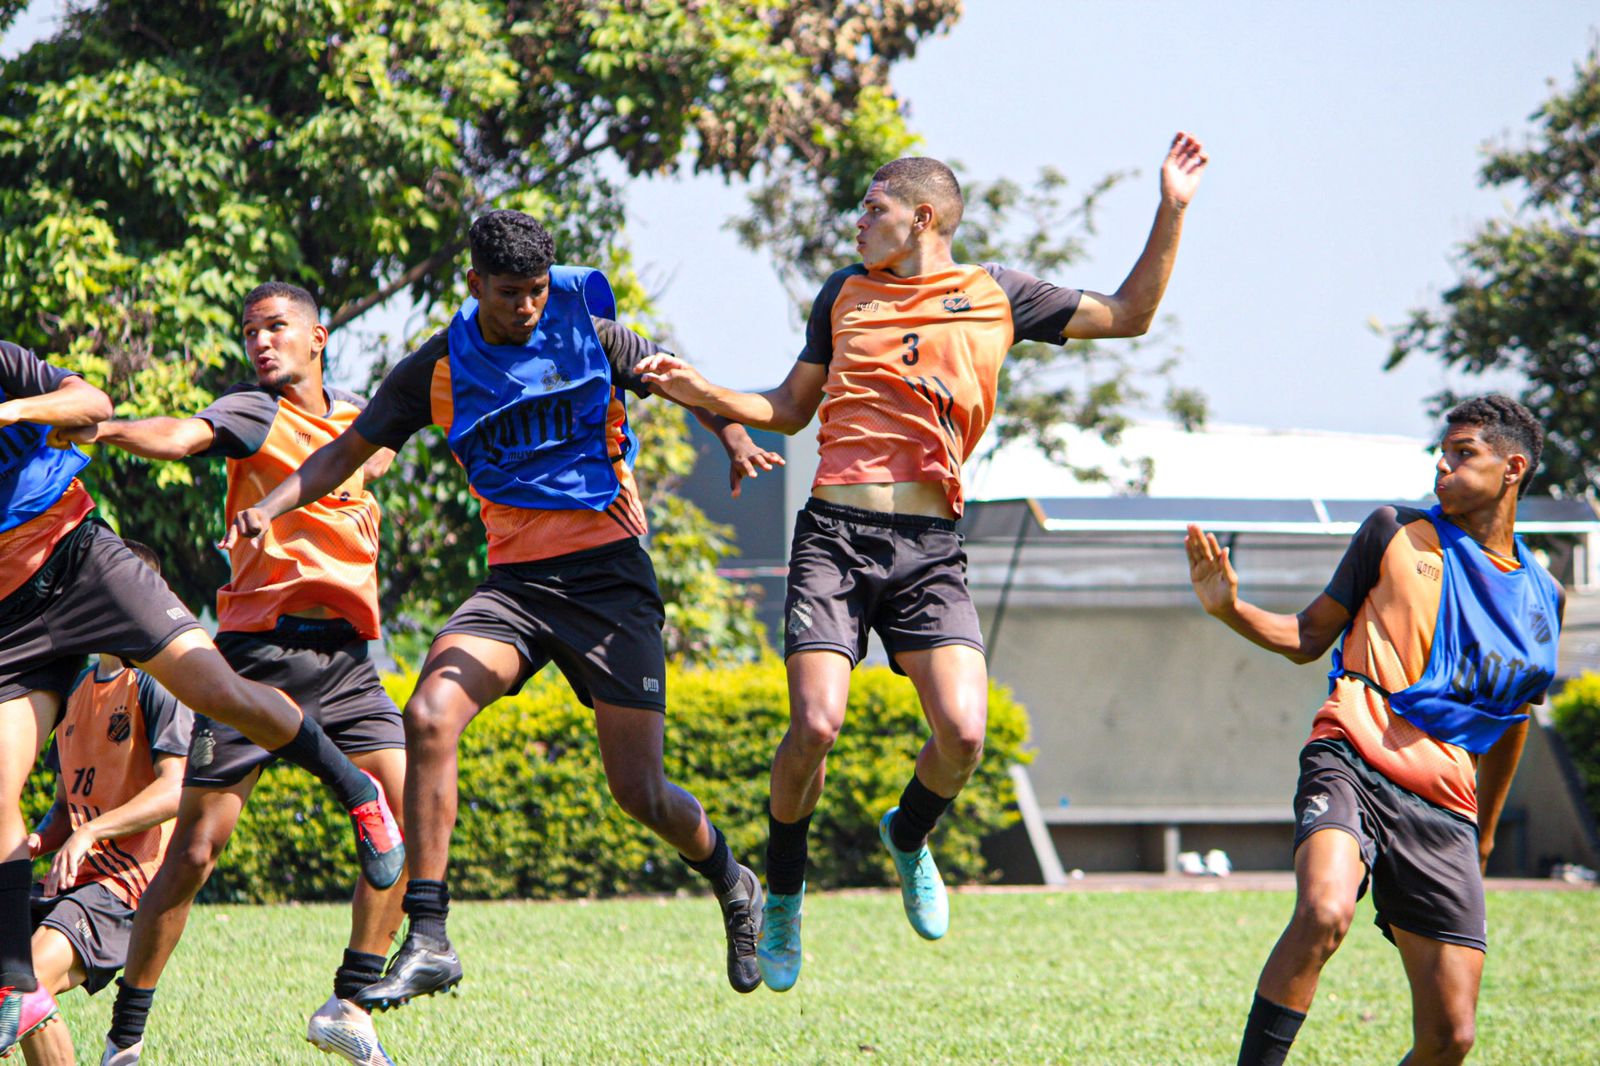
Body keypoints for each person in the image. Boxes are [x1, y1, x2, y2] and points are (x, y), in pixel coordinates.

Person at [635, 132, 1209, 990]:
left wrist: (1170, 207)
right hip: (834, 533)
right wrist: (704, 393)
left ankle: (907, 834)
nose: (857, 221)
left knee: (964, 733)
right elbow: (791, 408)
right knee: (817, 725)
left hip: (930, 546)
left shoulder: (998, 295)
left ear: (924, 217)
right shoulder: (843, 294)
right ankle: (784, 891)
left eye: (874, 208)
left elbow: (1131, 314)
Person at [224, 210, 784, 1006]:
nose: (527, 307)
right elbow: (345, 451)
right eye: (510, 293)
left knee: (640, 792)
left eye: (537, 290)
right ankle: (430, 936)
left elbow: (680, 379)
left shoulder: (589, 332)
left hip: (608, 580)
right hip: (516, 587)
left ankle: (733, 881)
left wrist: (729, 434)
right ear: (474, 284)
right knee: (427, 714)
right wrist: (270, 506)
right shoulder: (438, 366)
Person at [0, 339, 401, 1059]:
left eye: (277, 327)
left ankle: (358, 799)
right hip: (10, 620)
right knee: (29, 806)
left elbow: (97, 403)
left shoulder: (4, 364)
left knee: (220, 693)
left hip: (82, 560)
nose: (264, 341)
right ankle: (22, 991)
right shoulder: (259, 409)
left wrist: (16, 414)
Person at [1185, 395, 1561, 1066]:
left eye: (1462, 454)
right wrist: (1230, 609)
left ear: (1513, 467)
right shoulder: (1392, 529)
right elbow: (1307, 636)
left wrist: (1486, 832)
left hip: (1445, 802)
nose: (1442, 466)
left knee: (1451, 1038)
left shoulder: (1545, 596)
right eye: (1440, 454)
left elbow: (1508, 724)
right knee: (1325, 909)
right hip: (1352, 757)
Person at [11, 542, 192, 1066]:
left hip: (127, 883)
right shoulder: (74, 689)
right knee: (16, 984)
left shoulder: (158, 684)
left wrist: (91, 834)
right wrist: (39, 840)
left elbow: (175, 788)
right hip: (76, 882)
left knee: (22, 986)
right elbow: (70, 804)